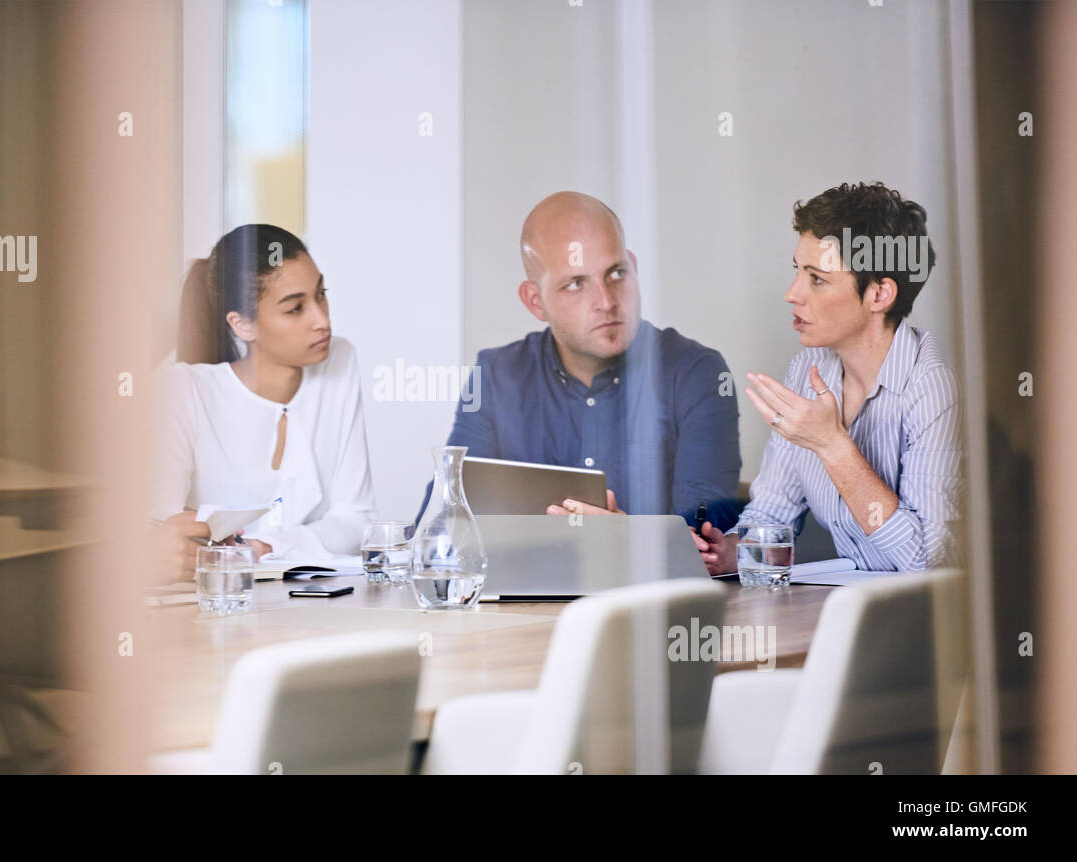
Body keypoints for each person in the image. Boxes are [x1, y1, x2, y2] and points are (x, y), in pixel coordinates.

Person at [419, 191, 741, 526]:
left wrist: (625, 538)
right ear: (535, 302)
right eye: (576, 284)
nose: (606, 301)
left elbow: (705, 532)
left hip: (652, 582)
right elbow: (443, 514)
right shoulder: (498, 376)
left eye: (616, 273)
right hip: (529, 576)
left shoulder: (696, 374)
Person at [694, 182, 961, 574]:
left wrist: (833, 445)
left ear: (879, 295)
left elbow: (926, 563)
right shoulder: (809, 368)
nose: (792, 293)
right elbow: (771, 515)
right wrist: (729, 553)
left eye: (817, 278)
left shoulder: (935, 388)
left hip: (932, 626)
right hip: (859, 613)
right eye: (798, 272)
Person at [151, 224, 376, 579]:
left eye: (321, 295)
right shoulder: (184, 390)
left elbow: (356, 520)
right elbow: (160, 530)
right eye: (295, 308)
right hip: (214, 605)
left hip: (311, 608)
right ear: (242, 326)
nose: (322, 320)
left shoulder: (340, 362)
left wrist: (264, 548)